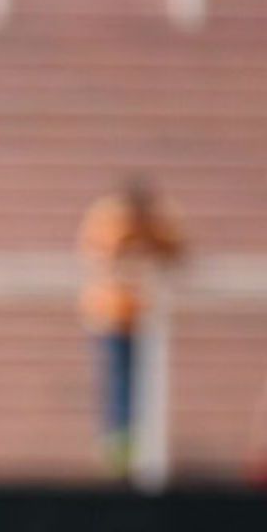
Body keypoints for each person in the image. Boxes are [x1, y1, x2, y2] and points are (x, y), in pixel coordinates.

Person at [77, 176, 185, 479]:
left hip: (147, 319)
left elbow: (176, 252)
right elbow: (101, 257)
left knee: (146, 379)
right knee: (119, 379)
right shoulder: (110, 219)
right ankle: (120, 444)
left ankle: (141, 442)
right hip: (113, 317)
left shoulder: (159, 223)